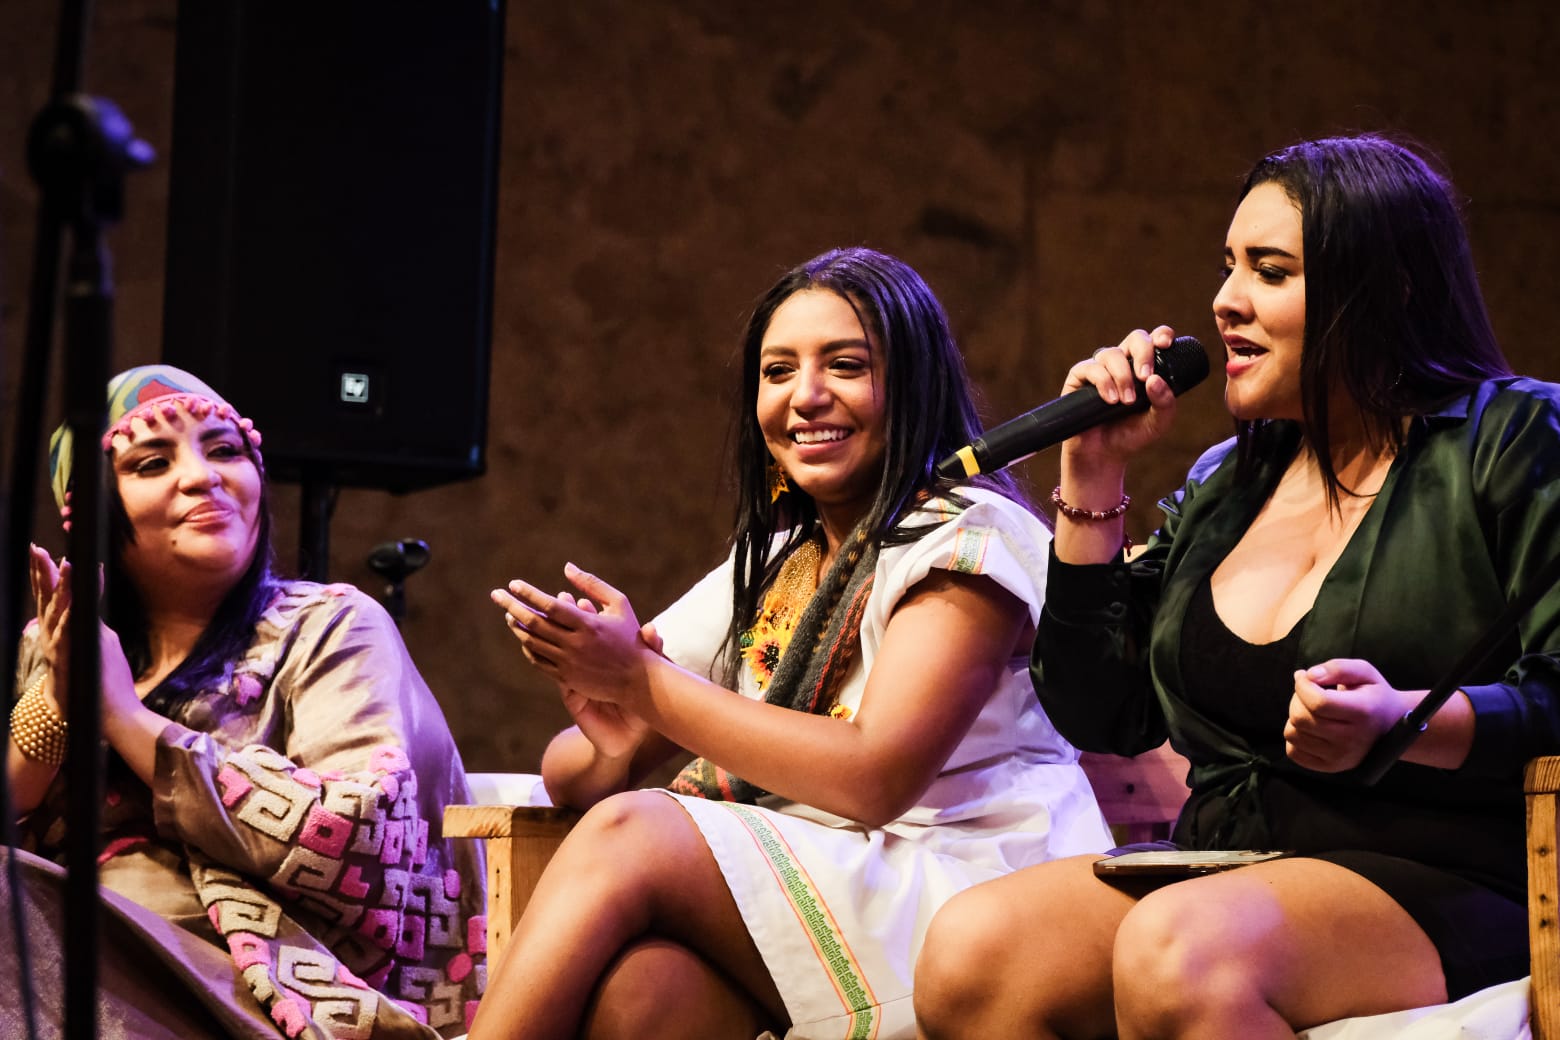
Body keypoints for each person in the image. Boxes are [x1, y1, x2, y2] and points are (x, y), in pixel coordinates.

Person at [912, 133, 1560, 1038]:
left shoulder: (1514, 437)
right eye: (1227, 267)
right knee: (974, 954)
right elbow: (1105, 712)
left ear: (1390, 288)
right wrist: (1091, 477)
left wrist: (1403, 720)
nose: (1225, 302)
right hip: (1234, 865)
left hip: (1451, 872)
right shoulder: (1227, 481)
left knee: (1182, 952)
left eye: (1271, 270)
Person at [471, 247, 1111, 1040]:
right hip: (840, 871)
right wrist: (613, 734)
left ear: (914, 385)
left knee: (633, 834)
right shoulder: (779, 563)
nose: (805, 397)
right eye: (777, 372)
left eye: (844, 366)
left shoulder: (969, 542)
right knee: (646, 992)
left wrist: (643, 686)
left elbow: (877, 776)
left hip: (967, 889)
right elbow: (571, 778)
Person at [6, 366, 487, 1038]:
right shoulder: (66, 634)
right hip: (75, 974)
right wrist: (56, 704)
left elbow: (365, 842)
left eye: (226, 450)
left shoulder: (331, 626)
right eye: (152, 463)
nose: (203, 477)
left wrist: (125, 717)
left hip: (275, 991)